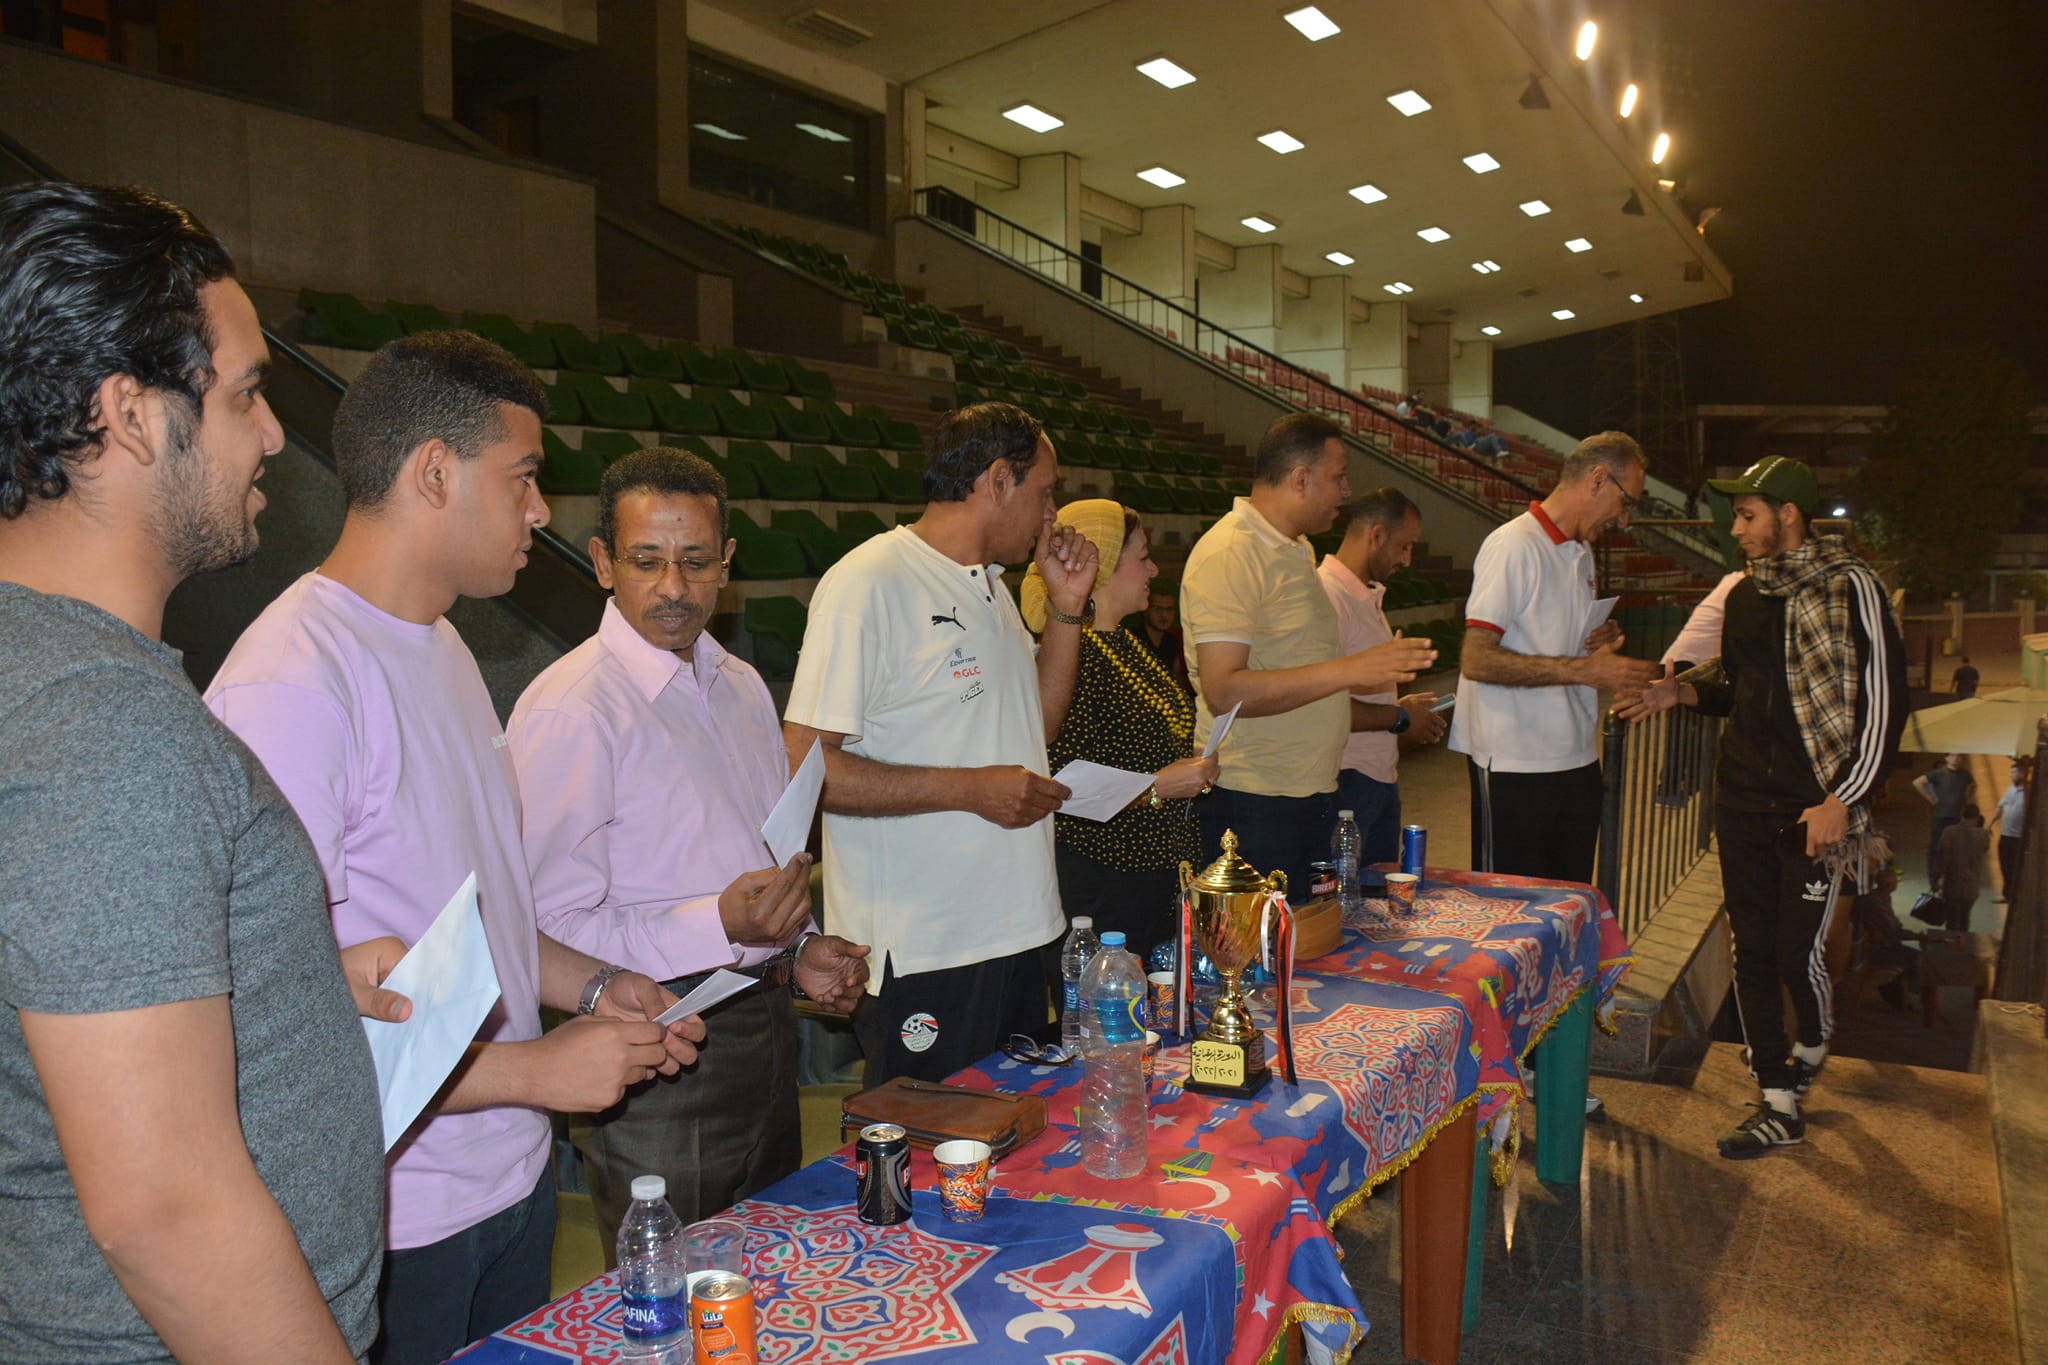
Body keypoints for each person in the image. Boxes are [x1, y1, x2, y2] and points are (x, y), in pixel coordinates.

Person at [205, 332, 704, 1365]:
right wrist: (533, 1070)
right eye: (522, 478)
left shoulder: (445, 645)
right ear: (435, 471)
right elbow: (271, 1021)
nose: (540, 511)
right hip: (394, 1214)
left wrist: (594, 985)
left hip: (506, 1179)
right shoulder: (293, 681)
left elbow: (479, 920)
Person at [0, 180, 395, 1365]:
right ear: (130, 415)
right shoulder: (104, 722)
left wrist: (282, 977)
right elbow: (163, 1210)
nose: (272, 435)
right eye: (242, 395)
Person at [507, 447, 871, 1256]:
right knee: (671, 1294)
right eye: (647, 560)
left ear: (726, 564)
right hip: (653, 1045)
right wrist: (719, 923)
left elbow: (757, 859)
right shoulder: (572, 708)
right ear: (603, 562)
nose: (673, 586)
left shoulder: (740, 684)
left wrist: (798, 948)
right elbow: (537, 928)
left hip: (764, 1028)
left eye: (696, 561)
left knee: (766, 1272)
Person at [782, 401, 1099, 1086]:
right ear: (998, 481)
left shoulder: (992, 587)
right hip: (930, 947)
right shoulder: (869, 582)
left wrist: (1068, 606)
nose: (1052, 514)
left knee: (1011, 1137)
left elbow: (1035, 731)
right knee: (927, 1142)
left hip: (1018, 929)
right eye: (1045, 493)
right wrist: (970, 789)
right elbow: (803, 765)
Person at [1617, 455, 1907, 1159]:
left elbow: (1885, 704)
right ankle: (1777, 1099)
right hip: (1742, 797)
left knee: (1796, 951)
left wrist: (1842, 799)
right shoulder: (1745, 596)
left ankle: (1813, 1038)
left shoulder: (1852, 587)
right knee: (1750, 948)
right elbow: (1742, 693)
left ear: (1788, 515)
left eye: (1747, 516)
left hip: (1812, 808)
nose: (1736, 530)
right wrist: (1685, 692)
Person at [1179, 413, 1436, 896]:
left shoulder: (1295, 550)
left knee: (1308, 936)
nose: (1346, 491)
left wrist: (1359, 673)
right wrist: (1351, 670)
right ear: (1300, 478)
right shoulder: (1231, 552)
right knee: (1259, 942)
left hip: (1310, 791)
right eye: (1338, 476)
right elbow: (1224, 690)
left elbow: (1300, 669)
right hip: (1254, 797)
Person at [1452, 430, 1660, 883]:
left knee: (1569, 902)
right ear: (1598, 479)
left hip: (1575, 756)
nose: (1625, 520)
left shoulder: (1581, 550)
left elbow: (1549, 637)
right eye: (1626, 502)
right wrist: (1586, 670)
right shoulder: (1514, 546)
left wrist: (1597, 638)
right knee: (1511, 910)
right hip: (1515, 762)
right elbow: (1477, 660)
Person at [1021, 499, 1219, 969]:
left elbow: (1131, 744)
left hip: (1154, 870)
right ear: (1105, 564)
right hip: (1107, 877)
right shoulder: (1072, 655)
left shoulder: (1124, 641)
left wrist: (1184, 757)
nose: (1153, 569)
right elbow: (1061, 786)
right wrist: (1161, 785)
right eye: (1143, 557)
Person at [1317, 488, 1449, 865]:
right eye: (1404, 546)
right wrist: (1400, 717)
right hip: (1347, 778)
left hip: (1376, 774)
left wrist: (1397, 700)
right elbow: (1321, 704)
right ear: (1376, 535)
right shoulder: (1328, 596)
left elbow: (1356, 685)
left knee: (1378, 891)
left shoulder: (1365, 595)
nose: (1407, 559)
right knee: (1347, 892)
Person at [1913, 753, 1976, 883]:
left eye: (1959, 756)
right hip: (1941, 816)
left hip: (1957, 816)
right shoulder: (1938, 773)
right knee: (1937, 847)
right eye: (1952, 755)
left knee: (1955, 848)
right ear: (1947, 758)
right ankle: (1934, 878)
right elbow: (1917, 782)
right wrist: (1931, 798)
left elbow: (1973, 785)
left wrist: (1968, 799)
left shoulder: (1965, 775)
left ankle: (1951, 877)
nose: (1956, 758)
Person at [1932, 806, 1992, 933]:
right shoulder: (1983, 835)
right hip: (1971, 887)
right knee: (1965, 918)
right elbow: (1985, 849)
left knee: (1952, 920)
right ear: (1977, 818)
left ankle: (1952, 942)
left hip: (1952, 885)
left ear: (1961, 815)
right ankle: (1963, 941)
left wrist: (1936, 879)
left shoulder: (1950, 832)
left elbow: (1942, 858)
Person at [1129, 578, 1190, 689]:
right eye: (1157, 609)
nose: (1164, 615)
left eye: (1169, 609)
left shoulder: (1171, 642)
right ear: (1145, 610)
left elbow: (1176, 678)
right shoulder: (1131, 639)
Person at [1995, 759, 2029, 902]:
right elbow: (2000, 806)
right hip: (2005, 835)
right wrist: (1989, 825)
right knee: (2005, 866)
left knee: (2015, 867)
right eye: (2010, 772)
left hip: (2018, 837)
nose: (2011, 775)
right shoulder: (2010, 789)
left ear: (2022, 774)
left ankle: (2016, 896)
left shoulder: (2028, 792)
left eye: (2014, 772)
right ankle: (2008, 895)